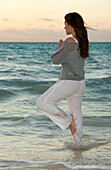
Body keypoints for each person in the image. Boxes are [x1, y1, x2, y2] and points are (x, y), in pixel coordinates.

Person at [36, 12, 89, 146]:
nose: (64, 27)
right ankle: (78, 146)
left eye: (66, 24)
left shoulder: (69, 41)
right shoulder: (83, 41)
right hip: (80, 84)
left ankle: (67, 120)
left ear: (72, 26)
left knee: (41, 102)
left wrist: (59, 47)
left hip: (68, 82)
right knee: (77, 113)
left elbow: (55, 59)